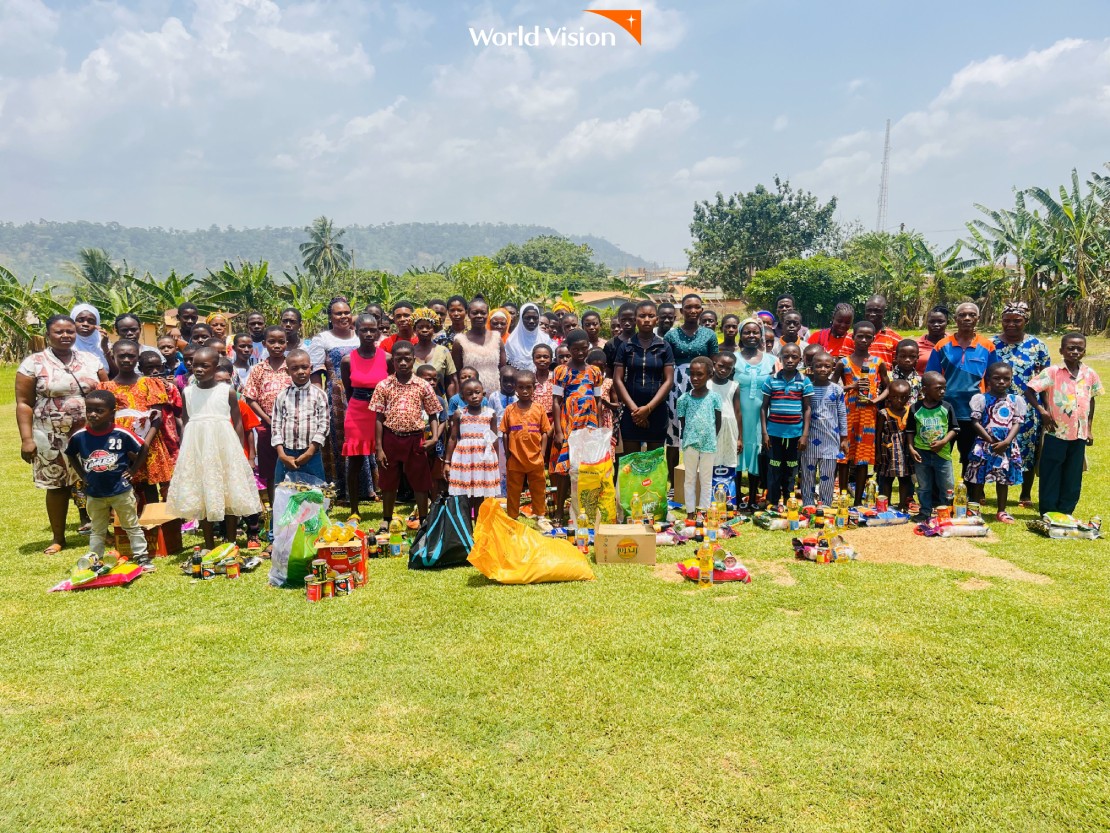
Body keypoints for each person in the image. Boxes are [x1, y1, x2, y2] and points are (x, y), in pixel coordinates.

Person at [16, 314, 107, 553]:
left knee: (97, 479)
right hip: (49, 434)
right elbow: (24, 403)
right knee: (56, 485)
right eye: (59, 332)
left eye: (70, 331)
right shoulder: (33, 363)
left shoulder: (89, 359)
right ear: (48, 334)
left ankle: (102, 532)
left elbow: (108, 392)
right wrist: (27, 439)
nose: (65, 336)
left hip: (90, 432)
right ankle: (58, 538)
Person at [166, 346, 263, 549]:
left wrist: (238, 449)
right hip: (198, 446)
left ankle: (230, 543)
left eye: (205, 365)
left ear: (215, 367)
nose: (199, 369)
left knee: (228, 491)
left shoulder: (226, 391)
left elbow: (237, 422)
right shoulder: (188, 392)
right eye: (195, 365)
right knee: (203, 494)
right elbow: (185, 421)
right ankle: (209, 544)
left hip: (223, 445)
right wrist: (185, 450)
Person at [65, 389, 157, 569]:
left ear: (112, 413)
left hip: (120, 491)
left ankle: (141, 556)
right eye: (89, 409)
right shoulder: (80, 436)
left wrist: (133, 469)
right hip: (95, 493)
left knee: (131, 524)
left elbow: (143, 448)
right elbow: (70, 454)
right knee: (97, 529)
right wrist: (83, 475)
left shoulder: (121, 433)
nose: (92, 414)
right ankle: (95, 558)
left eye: (99, 411)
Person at [1025, 333, 1103, 516]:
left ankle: (1066, 510)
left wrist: (1089, 428)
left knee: (1073, 474)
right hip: (1056, 432)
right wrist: (1043, 412)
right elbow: (1029, 390)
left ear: (1084, 351)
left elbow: (1091, 400)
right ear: (1062, 350)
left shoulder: (1089, 373)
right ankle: (1049, 510)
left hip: (1079, 433)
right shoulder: (1052, 372)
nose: (1075, 352)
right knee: (1051, 472)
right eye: (1070, 348)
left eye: (1079, 348)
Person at [371, 341, 443, 531]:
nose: (403, 363)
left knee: (420, 480)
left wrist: (434, 437)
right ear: (392, 361)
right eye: (398, 359)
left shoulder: (422, 385)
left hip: (415, 438)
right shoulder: (384, 385)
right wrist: (379, 447)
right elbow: (378, 417)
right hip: (391, 438)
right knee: (388, 481)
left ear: (414, 360)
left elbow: (434, 413)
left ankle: (424, 519)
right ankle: (386, 518)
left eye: (407, 359)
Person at [925, 302, 996, 474]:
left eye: (971, 315)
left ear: (977, 319)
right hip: (944, 410)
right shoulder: (942, 345)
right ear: (955, 319)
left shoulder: (987, 346)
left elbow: (992, 379)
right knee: (940, 455)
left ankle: (970, 494)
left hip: (973, 412)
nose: (967, 318)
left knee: (970, 456)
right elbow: (930, 376)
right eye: (962, 315)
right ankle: (937, 497)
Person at [98, 339, 174, 502]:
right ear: (113, 356)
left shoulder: (150, 383)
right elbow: (105, 419)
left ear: (137, 357)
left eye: (131, 356)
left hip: (148, 440)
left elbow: (157, 417)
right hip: (118, 442)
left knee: (149, 484)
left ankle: (153, 524)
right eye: (122, 356)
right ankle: (126, 525)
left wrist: (145, 444)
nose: (126, 360)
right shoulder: (106, 387)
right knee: (122, 483)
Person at [992, 301, 1049, 508]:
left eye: (1017, 320)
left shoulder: (1037, 345)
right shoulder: (992, 345)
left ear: (1026, 320)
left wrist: (1045, 408)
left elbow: (1046, 379)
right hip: (996, 407)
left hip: (1028, 407)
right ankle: (981, 490)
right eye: (1007, 320)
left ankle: (1025, 494)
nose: (1011, 324)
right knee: (991, 447)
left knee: (1028, 450)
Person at [551, 329, 604, 525]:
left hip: (589, 423)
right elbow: (556, 400)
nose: (580, 352)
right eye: (576, 349)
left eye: (584, 348)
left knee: (587, 466)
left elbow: (597, 400)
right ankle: (558, 511)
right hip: (568, 422)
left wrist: (597, 426)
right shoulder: (560, 371)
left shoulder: (595, 371)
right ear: (569, 349)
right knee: (566, 468)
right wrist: (558, 430)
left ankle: (585, 508)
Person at [833, 320, 889, 505]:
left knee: (863, 458)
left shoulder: (878, 362)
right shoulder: (843, 362)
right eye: (860, 336)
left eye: (868, 337)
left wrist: (876, 400)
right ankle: (842, 497)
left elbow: (888, 388)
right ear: (853, 337)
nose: (864, 340)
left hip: (867, 415)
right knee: (844, 457)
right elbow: (832, 387)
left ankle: (857, 502)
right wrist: (852, 386)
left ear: (873, 339)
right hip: (847, 413)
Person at [963, 362, 1026, 523]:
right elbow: (975, 422)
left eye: (1006, 378)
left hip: (1006, 446)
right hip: (984, 445)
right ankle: (974, 509)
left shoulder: (1015, 400)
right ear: (988, 380)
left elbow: (1017, 422)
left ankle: (1001, 510)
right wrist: (990, 441)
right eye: (996, 378)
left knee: (1002, 479)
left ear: (1011, 380)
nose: (1001, 382)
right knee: (978, 478)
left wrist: (1006, 442)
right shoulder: (981, 399)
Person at [664, 294, 719, 474]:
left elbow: (713, 363)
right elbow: (666, 363)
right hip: (675, 387)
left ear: (701, 310)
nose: (693, 310)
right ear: (681, 311)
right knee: (674, 434)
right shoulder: (671, 335)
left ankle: (699, 479)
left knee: (700, 428)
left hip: (702, 386)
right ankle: (674, 483)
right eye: (688, 307)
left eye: (696, 307)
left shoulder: (709, 335)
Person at [341, 314, 388, 516]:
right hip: (357, 411)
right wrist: (363, 402)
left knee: (385, 459)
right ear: (356, 331)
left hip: (382, 413)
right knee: (355, 461)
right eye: (364, 330)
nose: (369, 334)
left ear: (378, 331)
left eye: (373, 329)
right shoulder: (347, 360)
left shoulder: (387, 358)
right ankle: (354, 509)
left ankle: (388, 508)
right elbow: (348, 389)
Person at [613, 300, 674, 454]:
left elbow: (668, 381)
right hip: (631, 412)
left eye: (651, 316)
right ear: (635, 319)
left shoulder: (664, 346)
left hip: (657, 410)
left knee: (655, 462)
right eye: (642, 316)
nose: (646, 319)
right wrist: (635, 411)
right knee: (632, 462)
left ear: (657, 320)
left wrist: (648, 409)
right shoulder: (626, 346)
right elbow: (618, 380)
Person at [760, 343, 813, 507]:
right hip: (774, 434)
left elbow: (807, 408)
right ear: (780, 358)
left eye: (794, 357)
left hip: (795, 435)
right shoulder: (771, 380)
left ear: (800, 359)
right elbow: (764, 408)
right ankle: (774, 501)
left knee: (791, 469)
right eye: (786, 357)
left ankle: (789, 500)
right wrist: (764, 433)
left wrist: (804, 435)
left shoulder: (804, 381)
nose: (790, 360)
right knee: (774, 467)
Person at [734, 318, 778, 508]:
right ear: (740, 335)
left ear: (761, 335)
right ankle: (735, 498)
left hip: (761, 416)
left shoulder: (771, 360)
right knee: (735, 455)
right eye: (747, 332)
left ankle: (752, 499)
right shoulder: (733, 359)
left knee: (756, 454)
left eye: (755, 332)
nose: (751, 336)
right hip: (738, 416)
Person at [242, 326, 291, 500]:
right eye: (272, 342)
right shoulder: (258, 369)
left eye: (281, 341)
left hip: (292, 425)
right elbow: (250, 398)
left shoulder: (292, 367)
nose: (277, 345)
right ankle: (274, 508)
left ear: (286, 343)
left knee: (292, 465)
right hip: (267, 426)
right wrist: (267, 419)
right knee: (271, 470)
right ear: (264, 344)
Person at [271, 349, 330, 486]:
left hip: (312, 454)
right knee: (284, 491)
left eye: (304, 367)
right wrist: (282, 455)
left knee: (315, 492)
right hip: (286, 453)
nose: (301, 371)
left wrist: (310, 452)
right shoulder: (282, 396)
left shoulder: (319, 395)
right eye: (295, 368)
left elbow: (324, 425)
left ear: (311, 368)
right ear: (287, 372)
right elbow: (275, 426)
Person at [500, 370, 553, 525]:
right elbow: (505, 433)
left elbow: (544, 432)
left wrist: (542, 453)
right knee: (514, 488)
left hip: (535, 457)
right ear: (515, 388)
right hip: (515, 458)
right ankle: (513, 516)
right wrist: (508, 454)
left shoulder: (539, 408)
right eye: (521, 387)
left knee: (538, 487)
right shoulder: (510, 409)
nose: (524, 391)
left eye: (528, 387)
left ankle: (540, 515)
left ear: (534, 388)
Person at [909, 372, 958, 521]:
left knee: (947, 486)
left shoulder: (946, 407)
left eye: (944, 388)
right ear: (924, 390)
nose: (942, 391)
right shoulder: (915, 408)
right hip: (921, 454)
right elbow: (910, 431)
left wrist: (943, 442)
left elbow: (954, 429)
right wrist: (911, 448)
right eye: (938, 388)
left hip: (942, 454)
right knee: (923, 486)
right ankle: (924, 512)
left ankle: (947, 512)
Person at [677, 356, 723, 516]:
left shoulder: (715, 398)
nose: (695, 378)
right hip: (690, 444)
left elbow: (718, 422)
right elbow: (683, 422)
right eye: (692, 374)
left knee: (706, 479)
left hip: (709, 444)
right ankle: (690, 511)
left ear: (710, 375)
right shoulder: (683, 399)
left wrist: (710, 437)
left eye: (700, 374)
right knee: (689, 478)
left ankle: (703, 510)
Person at [800, 351, 848, 507]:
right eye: (818, 366)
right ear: (811, 367)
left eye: (827, 366)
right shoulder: (807, 387)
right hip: (810, 439)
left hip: (831, 440)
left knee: (827, 475)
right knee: (808, 474)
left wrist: (844, 438)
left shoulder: (837, 389)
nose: (822, 369)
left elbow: (841, 413)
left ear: (833, 368)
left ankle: (825, 504)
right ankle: (808, 503)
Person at [445, 379, 500, 510]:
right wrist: (447, 462)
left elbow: (494, 438)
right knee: (465, 492)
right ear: (462, 397)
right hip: (465, 457)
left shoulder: (490, 413)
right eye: (469, 394)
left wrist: (495, 459)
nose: (474, 396)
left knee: (480, 493)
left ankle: (479, 524)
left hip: (483, 458)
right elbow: (453, 438)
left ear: (484, 394)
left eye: (477, 392)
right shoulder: (459, 414)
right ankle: (466, 524)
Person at [451, 297, 505, 399]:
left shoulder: (497, 338)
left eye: (483, 313)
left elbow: (502, 369)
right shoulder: (460, 341)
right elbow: (457, 373)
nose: (479, 316)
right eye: (475, 313)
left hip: (495, 396)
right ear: (468, 314)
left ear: (487, 314)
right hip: (471, 397)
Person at [875, 379, 914, 511]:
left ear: (908, 397)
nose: (899, 400)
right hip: (888, 451)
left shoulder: (910, 411)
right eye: (895, 397)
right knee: (886, 478)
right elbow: (878, 433)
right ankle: (885, 505)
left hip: (905, 450)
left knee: (905, 478)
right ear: (889, 397)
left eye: (903, 397)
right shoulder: (883, 413)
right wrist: (878, 453)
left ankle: (902, 504)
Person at [709, 352, 741, 487]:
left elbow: (738, 412)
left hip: (730, 427)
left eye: (728, 368)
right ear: (714, 365)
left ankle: (727, 491)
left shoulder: (734, 386)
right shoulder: (706, 384)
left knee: (728, 458)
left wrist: (740, 438)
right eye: (721, 366)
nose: (723, 370)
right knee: (711, 458)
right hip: (712, 427)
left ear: (732, 370)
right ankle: (710, 491)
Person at [412, 307, 458, 397]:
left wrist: (453, 406)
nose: (424, 330)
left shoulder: (443, 351)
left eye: (428, 327)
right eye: (420, 327)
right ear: (414, 330)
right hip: (414, 405)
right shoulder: (409, 352)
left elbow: (452, 381)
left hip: (440, 404)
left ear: (433, 329)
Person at [505, 303, 553, 373]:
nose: (531, 321)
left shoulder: (546, 340)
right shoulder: (512, 342)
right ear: (521, 318)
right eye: (527, 318)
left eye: (535, 318)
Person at [862, 295, 902, 367]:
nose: (872, 314)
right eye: (869, 310)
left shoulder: (895, 339)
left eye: (877, 311)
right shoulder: (854, 337)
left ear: (885, 312)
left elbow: (898, 367)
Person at [70, 303, 109, 371]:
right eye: (80, 320)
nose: (85, 324)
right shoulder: (66, 345)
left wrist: (105, 348)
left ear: (97, 324)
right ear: (73, 321)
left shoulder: (103, 343)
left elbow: (116, 373)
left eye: (91, 321)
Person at [603, 302, 637, 372]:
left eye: (630, 320)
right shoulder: (610, 344)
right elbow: (608, 369)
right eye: (623, 320)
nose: (627, 323)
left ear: (636, 319)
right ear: (619, 320)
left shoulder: (643, 341)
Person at [917, 306, 949, 374]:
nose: (936, 325)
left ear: (947, 323)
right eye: (932, 322)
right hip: (923, 383)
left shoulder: (955, 343)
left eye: (940, 321)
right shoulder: (916, 345)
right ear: (926, 323)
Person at [891, 339, 922, 407]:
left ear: (917, 358)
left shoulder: (920, 380)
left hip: (912, 416)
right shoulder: (888, 377)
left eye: (912, 357)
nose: (907, 360)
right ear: (896, 358)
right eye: (903, 356)